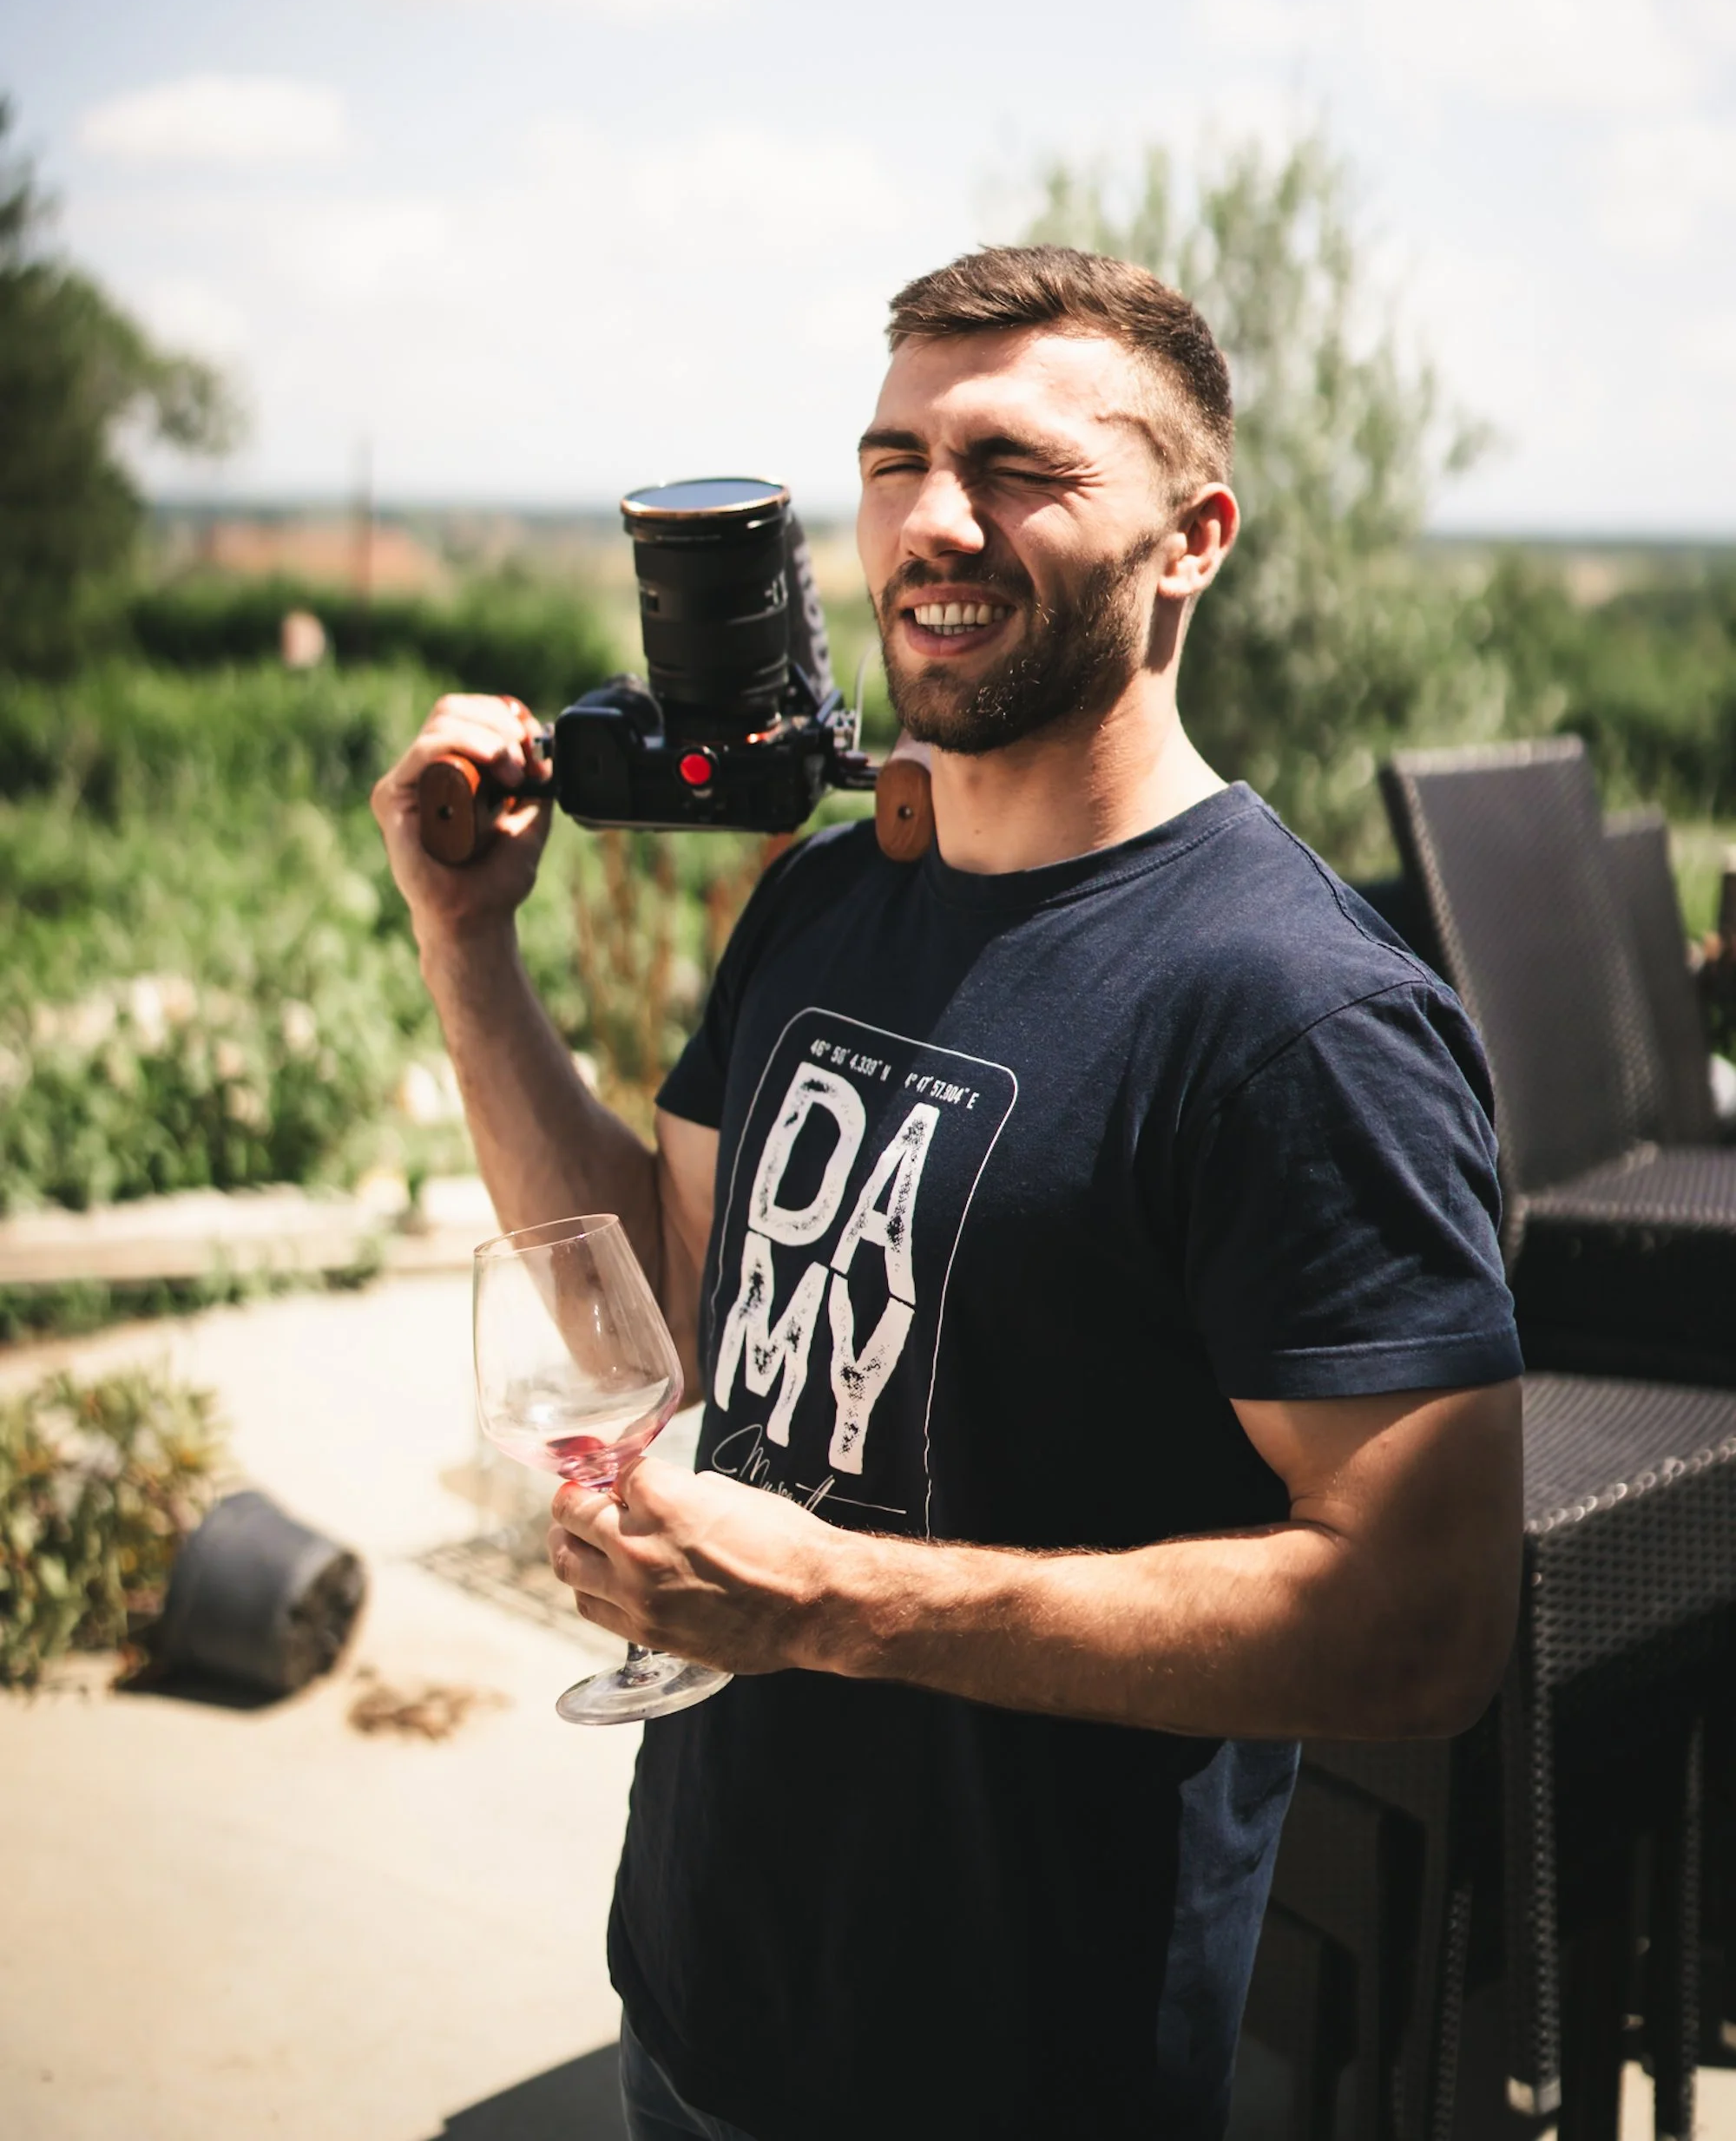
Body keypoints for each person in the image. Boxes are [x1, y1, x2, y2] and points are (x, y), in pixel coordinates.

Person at [372, 246, 1523, 2141]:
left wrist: (828, 1596)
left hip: (1017, 2067)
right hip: (704, 1989)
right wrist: (464, 946)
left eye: (1021, 470)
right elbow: (656, 1316)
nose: (935, 521)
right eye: (896, 460)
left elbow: (1422, 1620)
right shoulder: (827, 902)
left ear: (1195, 538)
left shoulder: (1294, 1017)